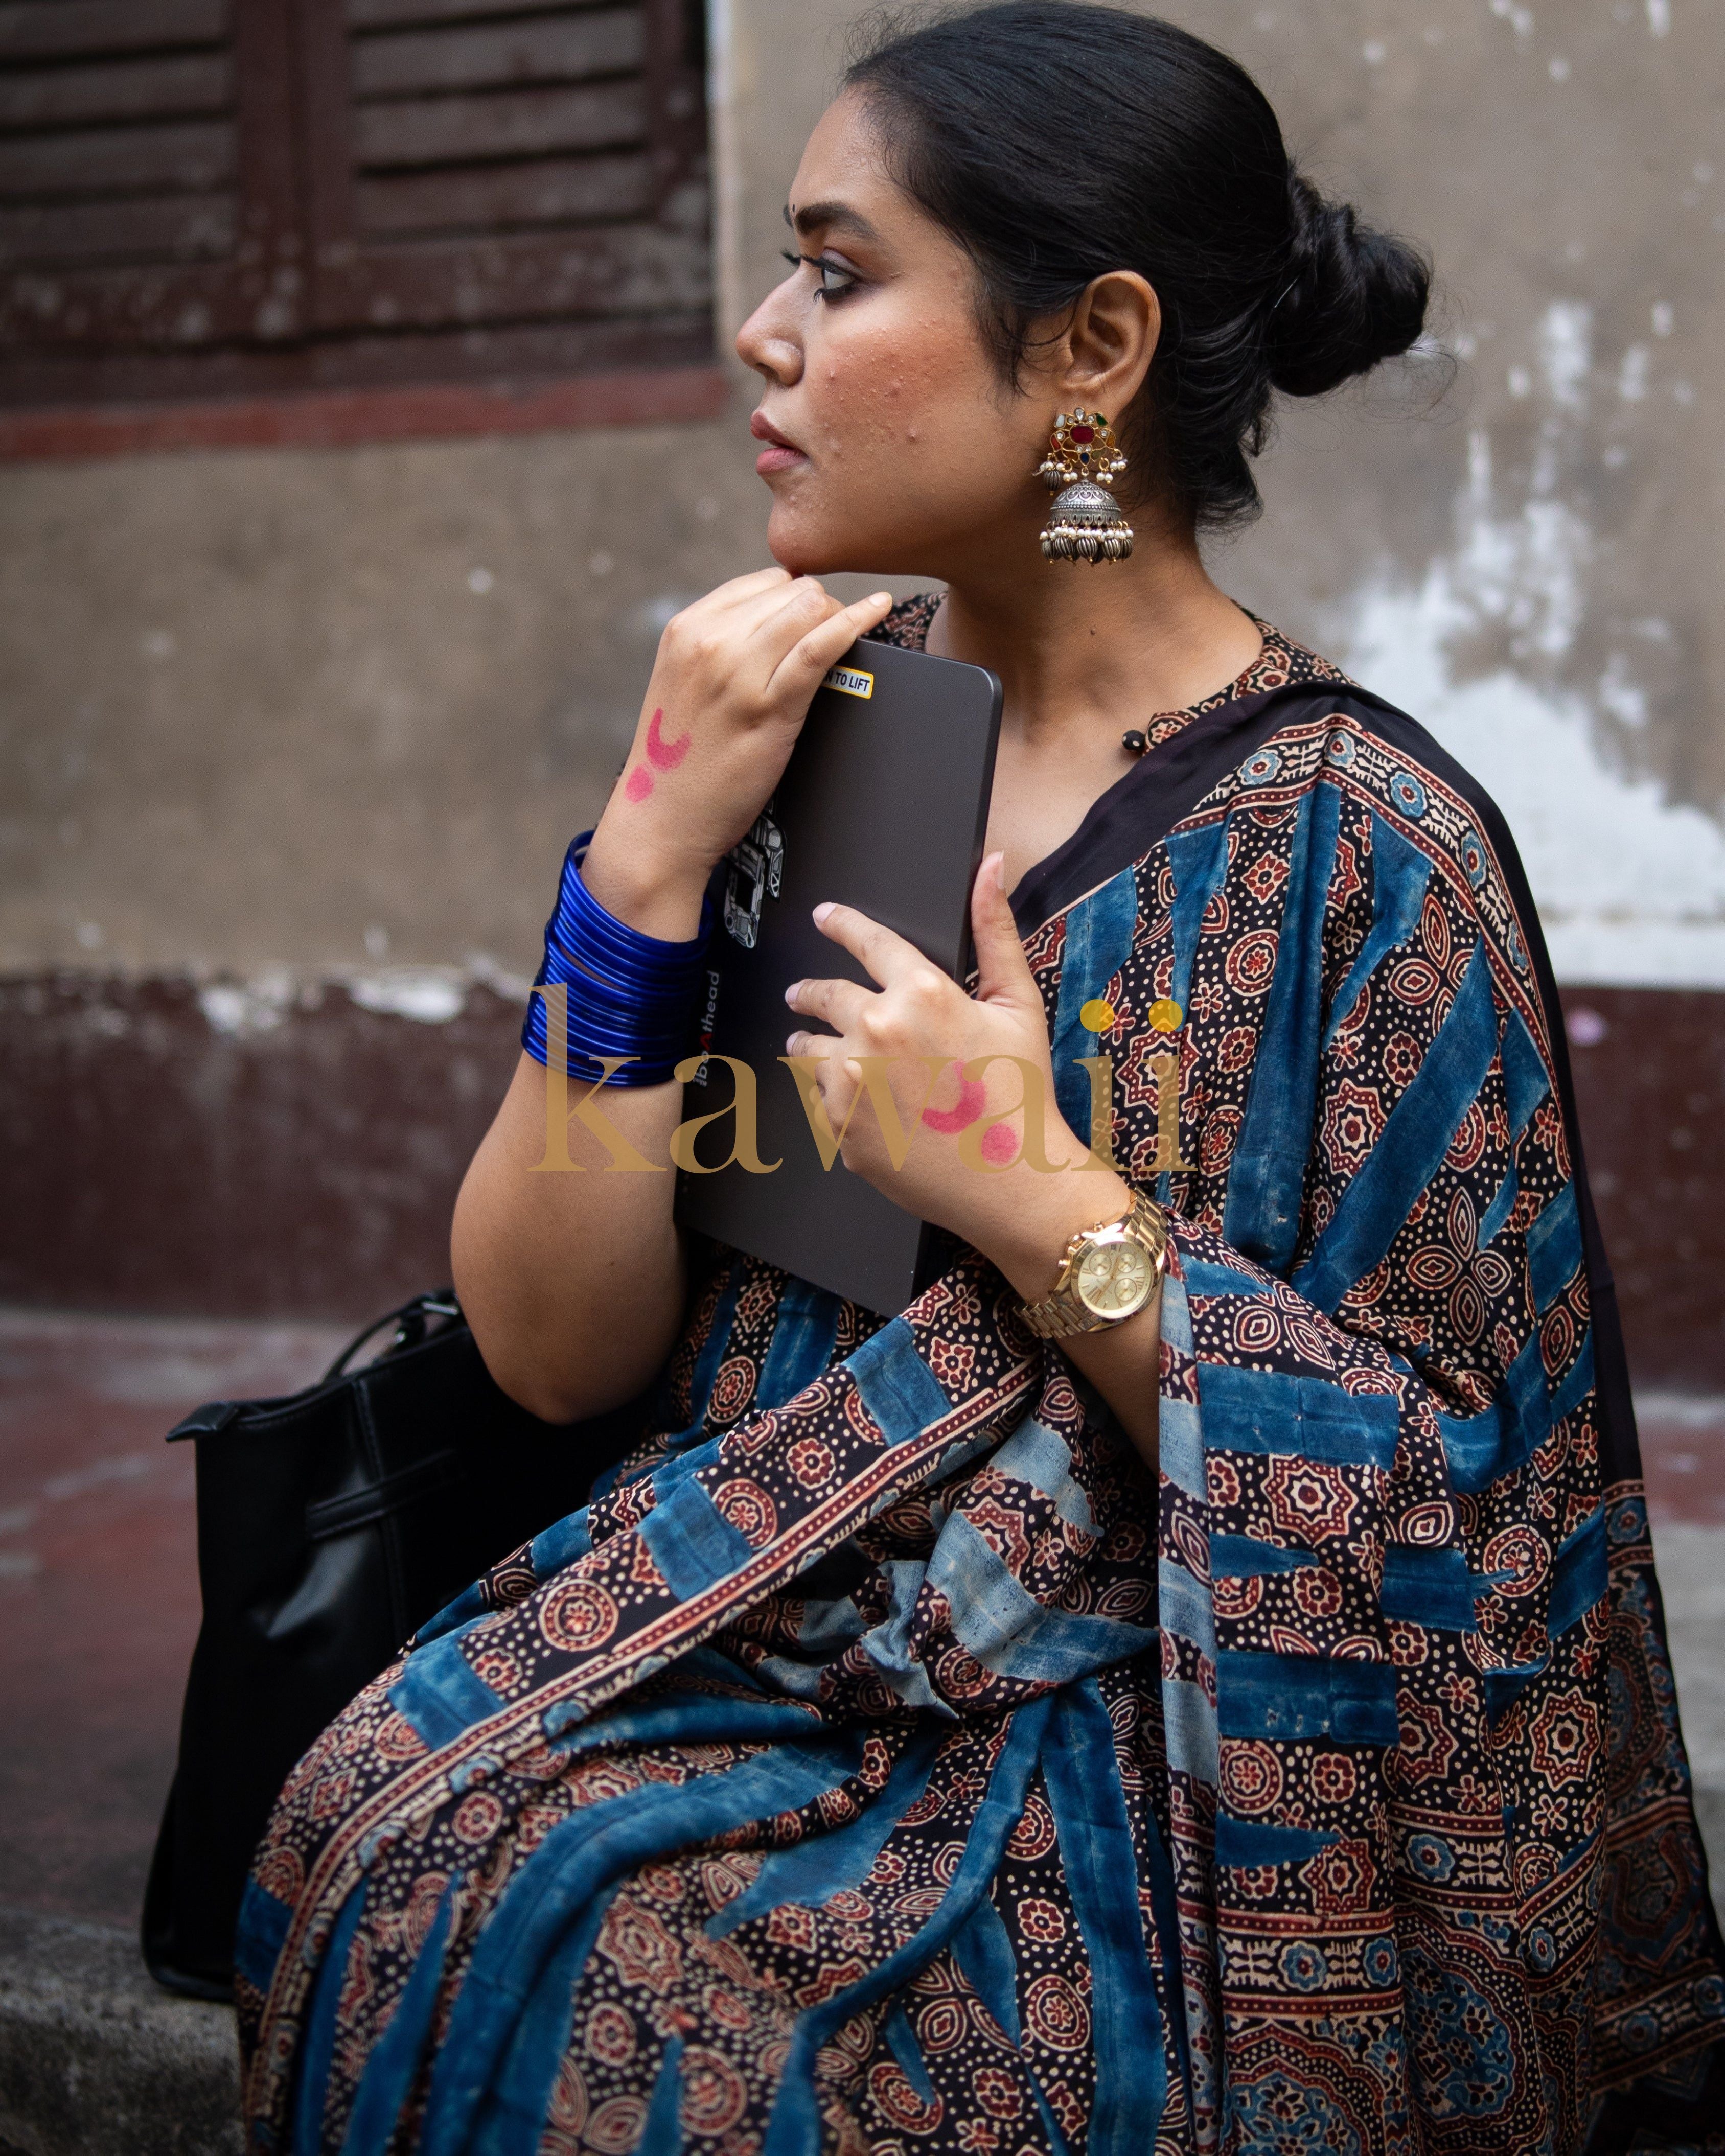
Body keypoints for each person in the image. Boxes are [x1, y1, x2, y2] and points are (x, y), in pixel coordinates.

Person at [235, 8, 1725, 2150]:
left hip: (1145, 1749)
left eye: (840, 273)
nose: (763, 334)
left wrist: (1033, 1194)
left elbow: (1464, 1546)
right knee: (402, 1838)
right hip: (718, 1630)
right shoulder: (803, 747)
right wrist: (643, 869)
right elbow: (560, 1355)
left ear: (1091, 346)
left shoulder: (1363, 854)